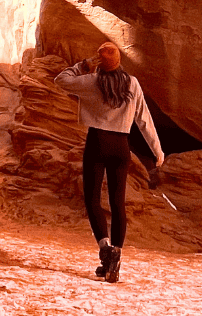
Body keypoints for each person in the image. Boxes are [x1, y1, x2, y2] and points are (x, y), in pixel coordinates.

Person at [54, 41, 164, 283]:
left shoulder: (92, 80)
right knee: (117, 203)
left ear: (100, 62)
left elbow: (61, 80)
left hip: (97, 141)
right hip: (121, 146)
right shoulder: (132, 83)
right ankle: (116, 255)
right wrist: (157, 150)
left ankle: (105, 249)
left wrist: (84, 65)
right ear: (119, 61)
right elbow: (144, 119)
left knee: (93, 198)